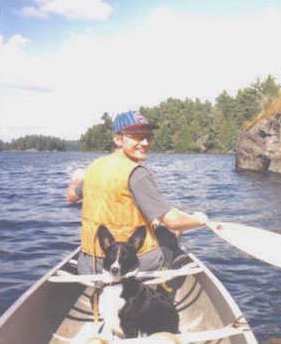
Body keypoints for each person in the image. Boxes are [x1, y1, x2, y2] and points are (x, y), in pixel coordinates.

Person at [66, 110, 208, 275]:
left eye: (148, 137)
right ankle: (163, 276)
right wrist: (200, 220)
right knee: (171, 232)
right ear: (118, 139)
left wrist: (77, 178)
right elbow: (172, 221)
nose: (146, 142)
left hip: (88, 264)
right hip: (128, 265)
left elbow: (71, 196)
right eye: (137, 136)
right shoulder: (137, 173)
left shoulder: (94, 168)